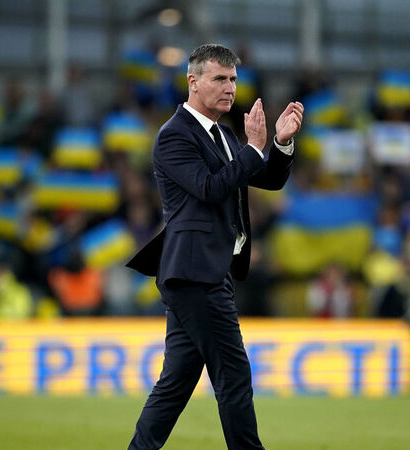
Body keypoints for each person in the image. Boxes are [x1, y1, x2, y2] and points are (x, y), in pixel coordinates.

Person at [125, 44, 303, 450]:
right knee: (233, 375)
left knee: (175, 386)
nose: (230, 88)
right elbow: (209, 188)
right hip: (195, 273)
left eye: (233, 79)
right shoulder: (174, 136)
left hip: (207, 271)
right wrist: (252, 149)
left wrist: (279, 143)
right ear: (193, 81)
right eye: (220, 79)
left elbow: (266, 178)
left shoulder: (222, 134)